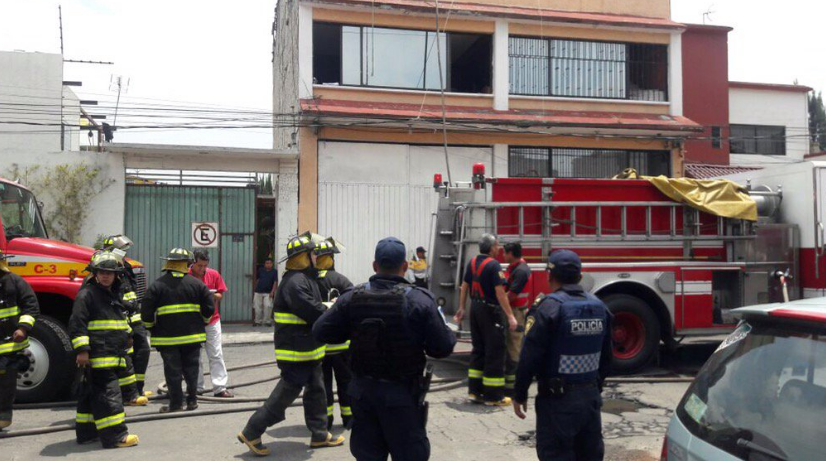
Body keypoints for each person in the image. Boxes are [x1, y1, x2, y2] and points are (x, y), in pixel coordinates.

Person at [313, 237, 456, 461]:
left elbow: (320, 331)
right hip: (402, 397)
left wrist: (352, 330)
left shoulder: (352, 298)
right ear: (405, 266)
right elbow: (443, 347)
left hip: (364, 395)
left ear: (374, 266)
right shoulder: (420, 300)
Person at [237, 232, 345, 456]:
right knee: (284, 396)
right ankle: (251, 430)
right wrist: (332, 307)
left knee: (316, 393)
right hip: (297, 353)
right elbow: (312, 311)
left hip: (310, 351)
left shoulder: (306, 279)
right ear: (303, 256)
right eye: (312, 254)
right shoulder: (295, 283)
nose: (316, 257)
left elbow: (315, 305)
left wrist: (326, 304)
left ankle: (319, 434)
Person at [513, 250, 613, 461]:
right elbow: (606, 358)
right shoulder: (599, 307)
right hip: (590, 399)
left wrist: (520, 394)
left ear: (550, 276)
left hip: (558, 403)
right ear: (579, 276)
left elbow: (529, 357)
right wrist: (595, 387)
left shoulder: (548, 308)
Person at [69, 251, 139, 448]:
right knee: (110, 396)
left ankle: (86, 433)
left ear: (116, 275)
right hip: (99, 356)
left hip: (110, 354)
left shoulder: (112, 294)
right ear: (95, 274)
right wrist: (82, 350)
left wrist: (128, 335)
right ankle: (116, 436)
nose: (105, 275)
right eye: (101, 272)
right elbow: (77, 324)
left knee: (90, 395)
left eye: (109, 272)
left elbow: (118, 319)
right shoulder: (87, 295)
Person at [142, 248, 214, 413]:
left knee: (172, 372)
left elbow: (146, 313)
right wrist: (203, 322)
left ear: (168, 262)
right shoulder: (198, 285)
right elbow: (209, 308)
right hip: (193, 337)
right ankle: (192, 401)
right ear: (187, 264)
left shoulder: (157, 286)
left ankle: (176, 404)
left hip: (167, 340)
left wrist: (151, 327)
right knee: (192, 370)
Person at [454, 234, 517, 406]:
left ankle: (475, 392)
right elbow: (500, 293)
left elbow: (464, 286)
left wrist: (461, 307)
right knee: (495, 351)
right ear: (491, 248)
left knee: (478, 349)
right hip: (490, 311)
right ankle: (493, 396)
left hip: (475, 309)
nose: (499, 249)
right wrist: (511, 316)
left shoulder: (472, 262)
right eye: (497, 246)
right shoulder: (493, 265)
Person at [100, 235, 152, 398]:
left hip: (134, 316)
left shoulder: (125, 266)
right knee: (126, 356)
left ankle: (138, 388)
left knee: (142, 350)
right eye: (121, 250)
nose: (124, 254)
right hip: (122, 318)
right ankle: (129, 393)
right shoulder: (108, 270)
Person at [313, 237, 355, 430]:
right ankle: (349, 419)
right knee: (346, 382)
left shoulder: (307, 281)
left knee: (323, 386)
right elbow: (355, 306)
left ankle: (326, 420)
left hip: (318, 346)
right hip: (341, 346)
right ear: (330, 258)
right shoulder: (341, 280)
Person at [0, 249, 39, 431]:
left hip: (9, 345)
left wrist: (23, 328)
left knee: (6, 382)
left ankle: (3, 416)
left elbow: (31, 305)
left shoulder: (14, 281)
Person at [189, 250, 233, 398]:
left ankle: (220, 388)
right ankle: (196, 387)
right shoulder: (186, 276)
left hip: (212, 320)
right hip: (193, 322)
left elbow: (220, 294)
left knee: (216, 353)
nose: (202, 269)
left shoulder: (213, 274)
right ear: (192, 263)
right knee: (195, 356)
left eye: (205, 266)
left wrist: (211, 294)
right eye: (199, 266)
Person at [503, 242, 532, 397]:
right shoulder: (513, 268)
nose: (503, 255)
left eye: (505, 253)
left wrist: (500, 304)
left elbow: (511, 294)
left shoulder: (521, 271)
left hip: (516, 313)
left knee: (514, 349)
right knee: (510, 347)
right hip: (512, 311)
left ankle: (512, 389)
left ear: (511, 254)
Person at [253, 258, 278, 327]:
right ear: (264, 264)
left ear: (272, 264)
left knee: (268, 307)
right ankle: (258, 321)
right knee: (257, 308)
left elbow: (275, 282)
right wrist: (255, 289)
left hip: (268, 292)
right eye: (267, 263)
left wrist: (273, 291)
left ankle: (267, 321)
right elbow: (257, 279)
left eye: (270, 263)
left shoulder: (274, 272)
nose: (268, 265)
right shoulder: (261, 270)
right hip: (258, 291)